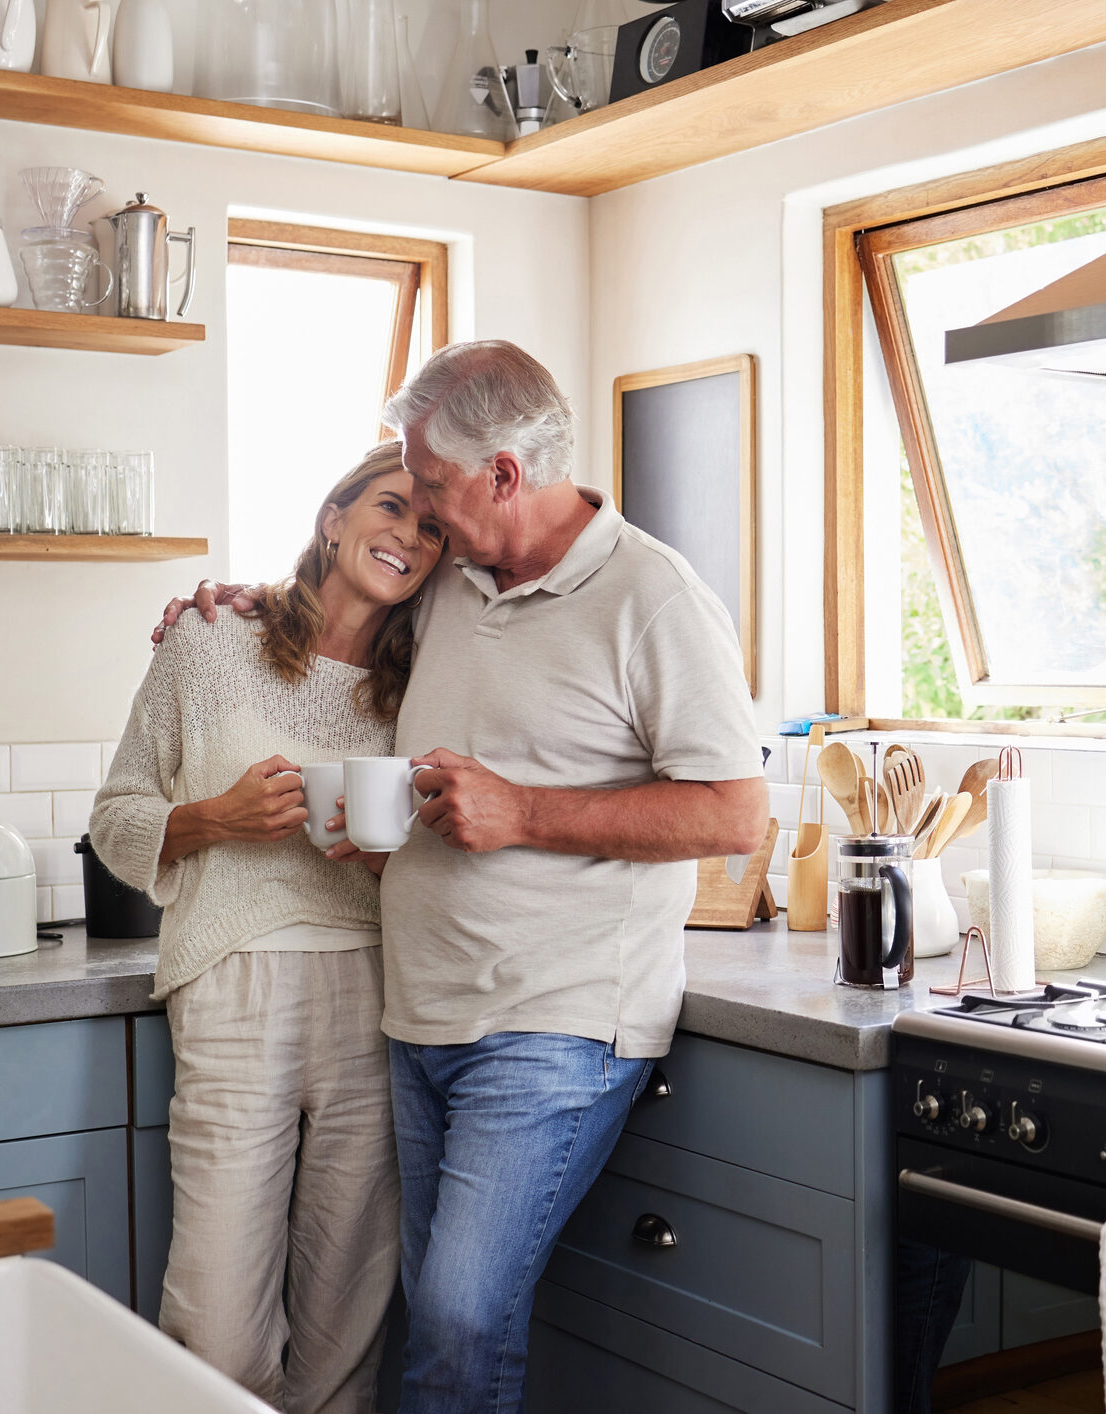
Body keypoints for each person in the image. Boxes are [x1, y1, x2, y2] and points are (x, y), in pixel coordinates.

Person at [161, 339, 769, 1414]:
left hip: (556, 1024)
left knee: (458, 1316)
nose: (423, 510)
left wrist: (523, 810)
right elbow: (342, 600)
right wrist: (234, 605)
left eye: (433, 481)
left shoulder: (654, 598)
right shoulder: (454, 580)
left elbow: (733, 813)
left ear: (501, 472)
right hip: (421, 1016)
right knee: (428, 1320)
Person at [94, 442, 447, 1414]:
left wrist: (384, 856)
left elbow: (450, 851)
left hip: (379, 995)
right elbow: (117, 812)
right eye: (389, 506)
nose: (407, 535)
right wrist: (216, 818)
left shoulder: (429, 687)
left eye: (430, 527)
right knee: (213, 1331)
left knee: (346, 1329)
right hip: (233, 983)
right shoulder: (211, 641)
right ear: (333, 517)